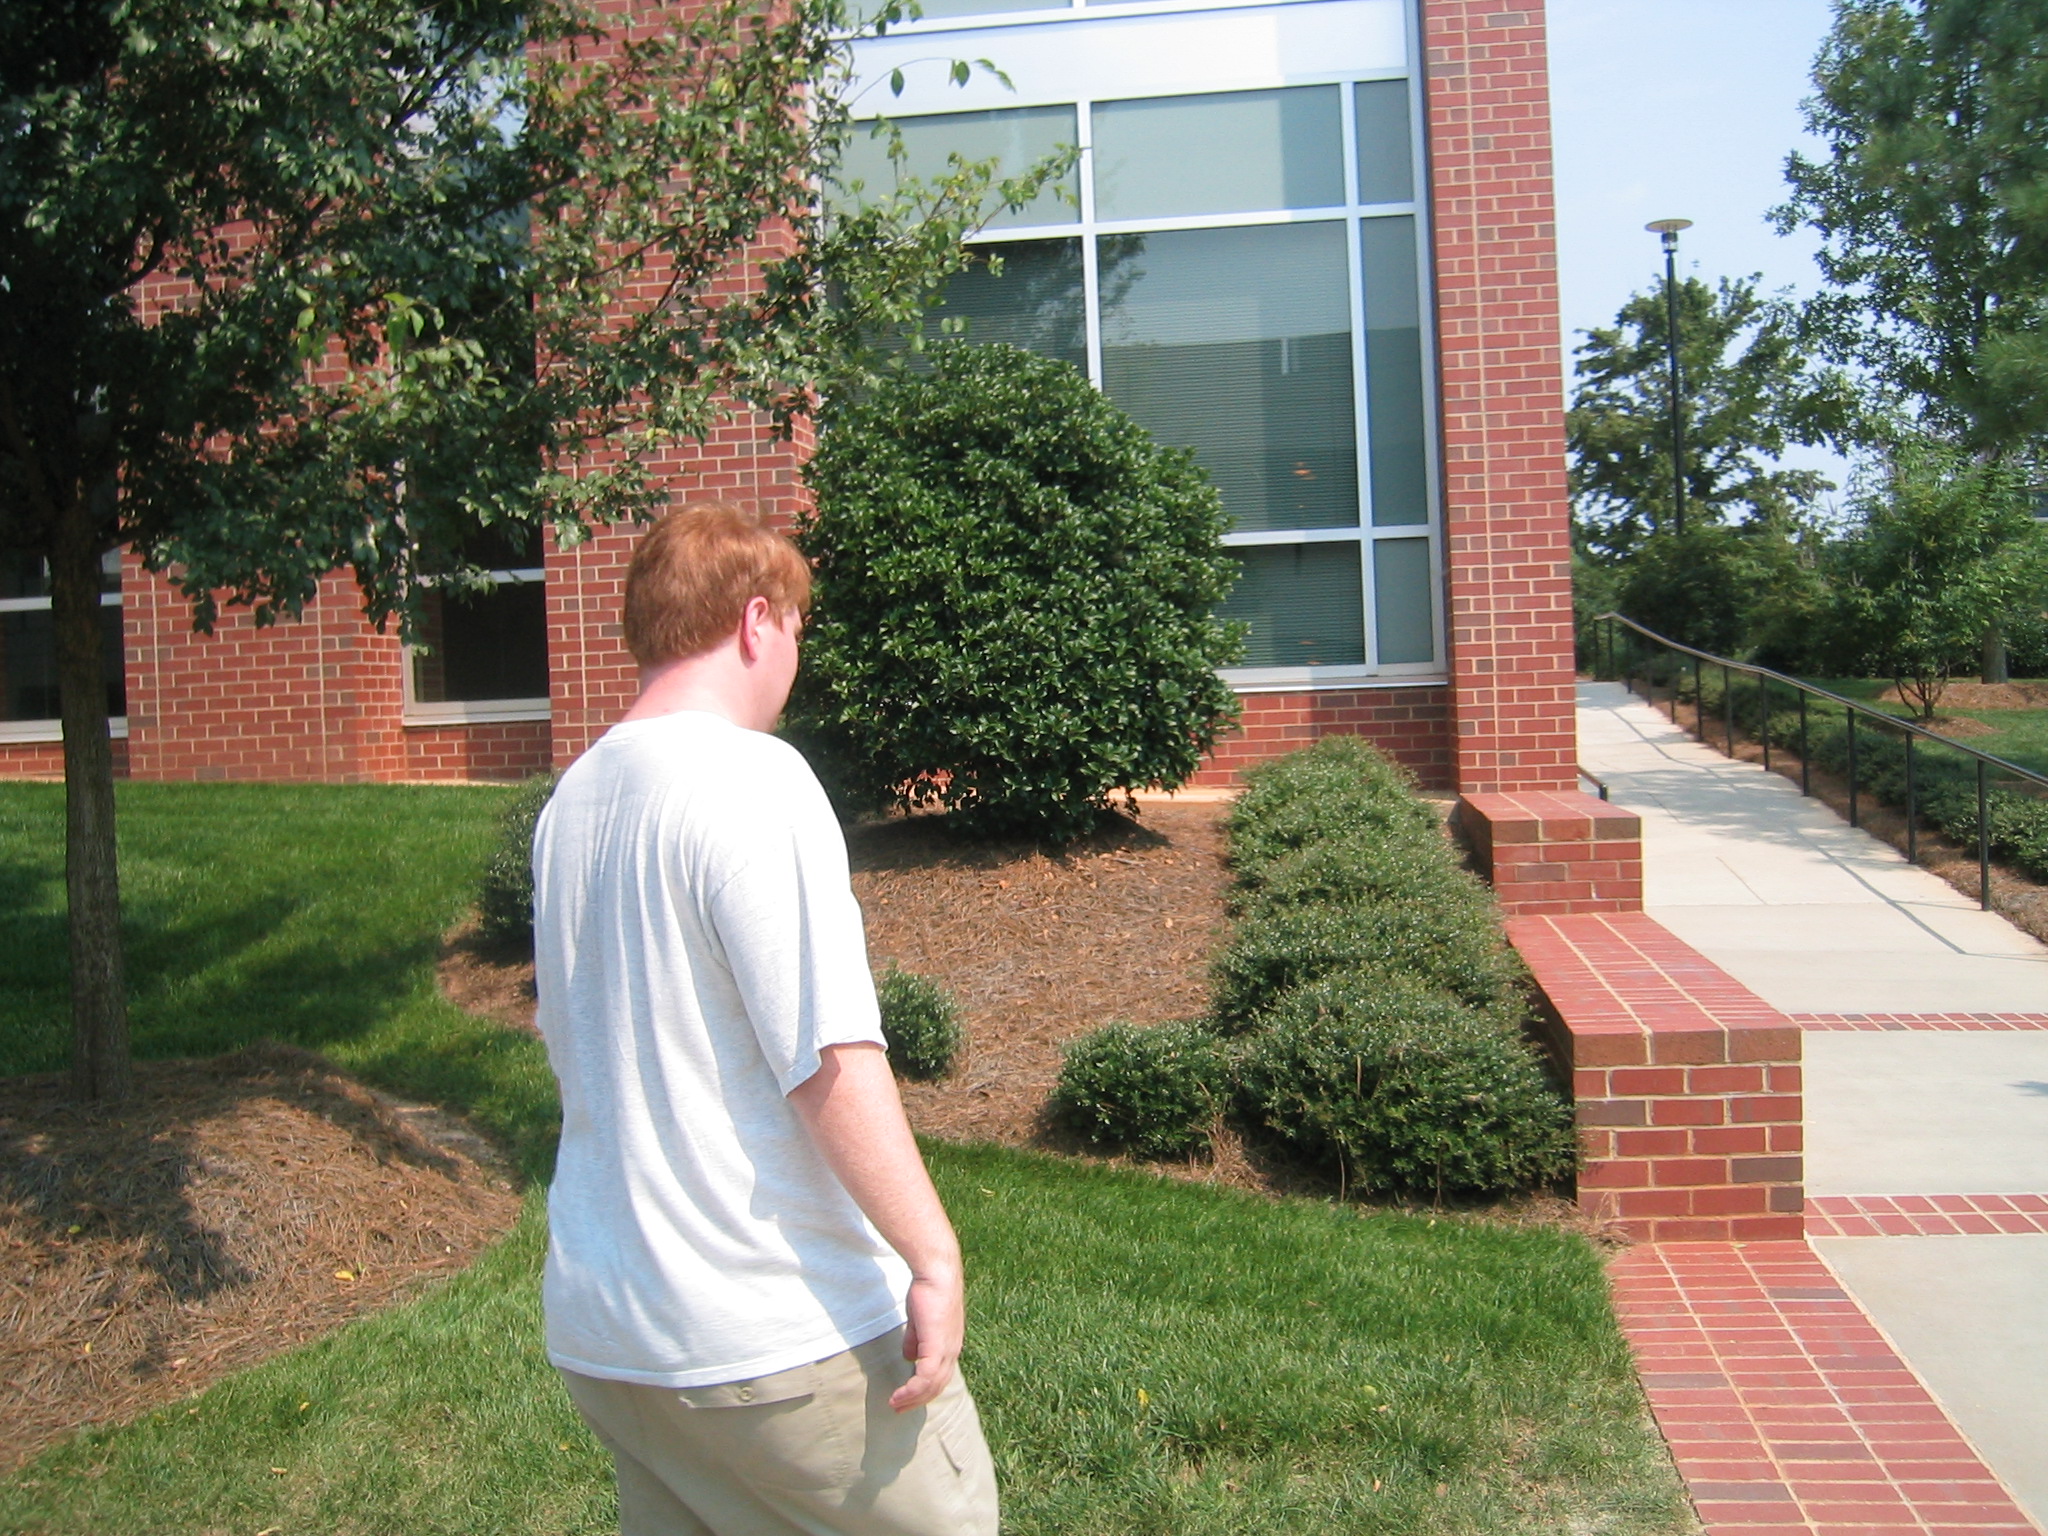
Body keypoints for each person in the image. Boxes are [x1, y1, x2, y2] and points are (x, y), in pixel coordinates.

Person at [531, 503, 997, 1536]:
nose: (794, 654)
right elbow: (826, 1053)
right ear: (754, 622)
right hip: (770, 1338)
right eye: (795, 628)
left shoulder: (573, 803)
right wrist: (931, 1255)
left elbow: (569, 1039)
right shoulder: (752, 777)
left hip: (611, 1336)